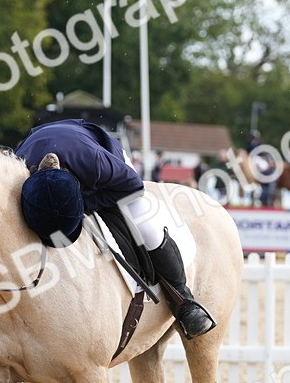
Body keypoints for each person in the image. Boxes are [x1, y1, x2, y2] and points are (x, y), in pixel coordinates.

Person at [16, 119, 216, 339]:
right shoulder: (18, 169)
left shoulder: (96, 162)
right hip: (43, 148)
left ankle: (184, 302)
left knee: (147, 226)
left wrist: (83, 204)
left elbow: (134, 186)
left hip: (104, 157)